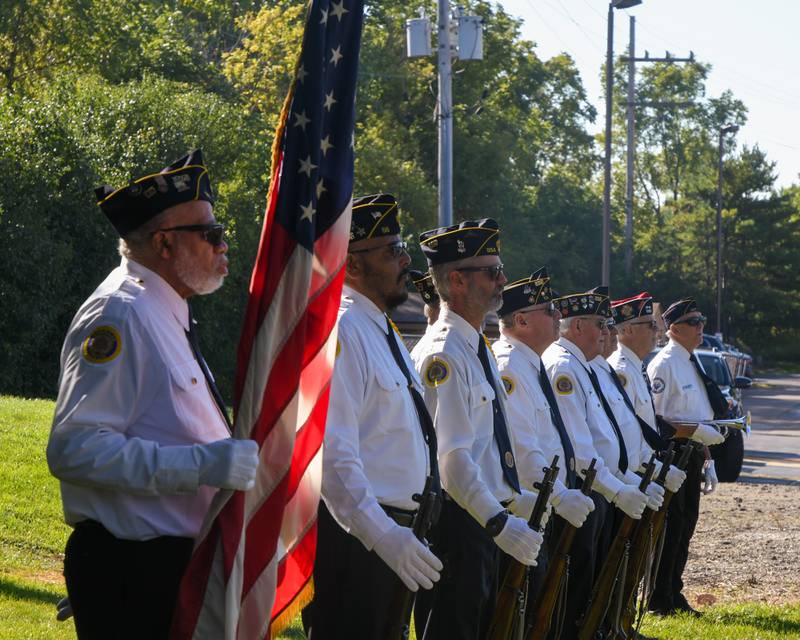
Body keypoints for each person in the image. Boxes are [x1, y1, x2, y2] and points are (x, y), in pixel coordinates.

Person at [47, 150, 260, 640]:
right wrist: (201, 467)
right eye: (210, 234)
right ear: (165, 243)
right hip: (136, 566)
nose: (224, 244)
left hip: (169, 565)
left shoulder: (164, 307)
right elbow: (75, 448)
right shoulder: (119, 314)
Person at [302, 193, 442, 638]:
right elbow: (332, 455)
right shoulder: (342, 329)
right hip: (359, 540)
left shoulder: (381, 327)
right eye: (392, 251)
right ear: (355, 265)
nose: (405, 260)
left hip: (394, 537)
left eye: (401, 249)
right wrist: (381, 534)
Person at [412, 219, 543, 639]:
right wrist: (499, 523)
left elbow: (488, 446)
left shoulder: (474, 346)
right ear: (457, 280)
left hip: (481, 518)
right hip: (459, 523)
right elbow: (452, 461)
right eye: (492, 271)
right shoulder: (446, 353)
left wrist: (512, 501)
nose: (503, 278)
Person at [541, 288, 649, 640]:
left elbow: (609, 431)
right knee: (576, 581)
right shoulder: (564, 367)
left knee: (596, 574)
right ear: (577, 327)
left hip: (601, 488)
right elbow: (579, 446)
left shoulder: (583, 366)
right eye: (601, 324)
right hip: (582, 489)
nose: (608, 332)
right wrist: (616, 489)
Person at [493, 268, 596, 627]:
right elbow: (524, 450)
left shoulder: (529, 363)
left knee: (542, 611)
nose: (559, 317)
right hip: (525, 509)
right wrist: (558, 497)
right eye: (549, 311)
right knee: (523, 616)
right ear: (521, 320)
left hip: (543, 504)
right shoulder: (510, 366)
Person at [646, 297, 726, 617]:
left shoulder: (691, 360)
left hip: (692, 451)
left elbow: (693, 411)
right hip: (672, 452)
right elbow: (657, 420)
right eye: (694, 322)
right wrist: (693, 436)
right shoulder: (665, 364)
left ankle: (672, 593)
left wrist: (706, 456)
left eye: (702, 320)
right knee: (670, 528)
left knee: (685, 527)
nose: (701, 327)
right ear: (674, 328)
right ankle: (657, 599)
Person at [607, 293, 686, 496]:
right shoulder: (621, 371)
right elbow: (623, 436)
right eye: (651, 325)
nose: (658, 331)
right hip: (630, 477)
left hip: (644, 470)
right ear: (628, 330)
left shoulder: (635, 367)